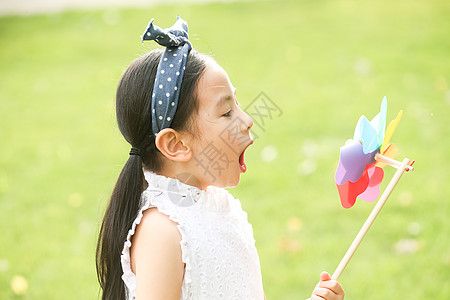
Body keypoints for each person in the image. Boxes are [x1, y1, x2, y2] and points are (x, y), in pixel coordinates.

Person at [96, 17, 345, 300]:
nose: (249, 120)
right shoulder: (162, 232)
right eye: (227, 112)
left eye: (237, 104)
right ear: (175, 144)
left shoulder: (218, 205)